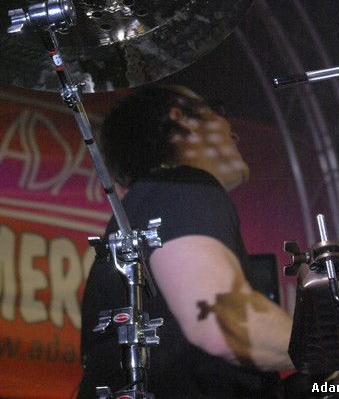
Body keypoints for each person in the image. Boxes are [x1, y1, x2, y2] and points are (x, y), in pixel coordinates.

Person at [79, 85, 293, 398]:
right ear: (181, 120)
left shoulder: (140, 208)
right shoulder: (182, 187)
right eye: (216, 110)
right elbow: (225, 325)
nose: (232, 131)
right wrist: (332, 343)